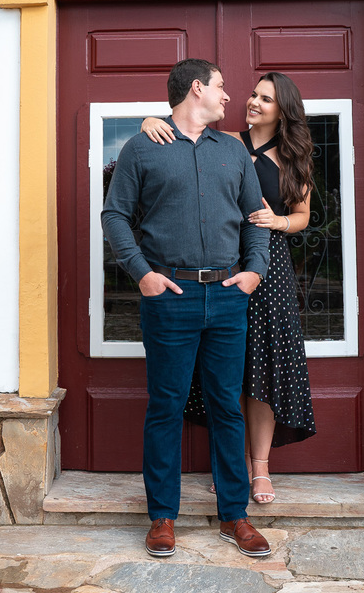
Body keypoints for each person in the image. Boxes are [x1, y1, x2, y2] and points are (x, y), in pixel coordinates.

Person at [101, 58, 273, 559]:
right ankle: (162, 518)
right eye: (221, 87)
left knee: (226, 407)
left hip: (227, 296)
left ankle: (234, 516)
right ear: (196, 88)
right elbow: (115, 215)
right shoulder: (142, 148)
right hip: (169, 297)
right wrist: (142, 274)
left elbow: (256, 216)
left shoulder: (233, 151)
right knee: (166, 406)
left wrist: (255, 271)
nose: (228, 96)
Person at [142, 71, 317, 505]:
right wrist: (149, 120)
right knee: (227, 375)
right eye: (254, 95)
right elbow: (183, 127)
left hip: (268, 269)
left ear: (283, 110)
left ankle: (261, 469)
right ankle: (231, 467)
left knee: (265, 368)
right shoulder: (228, 143)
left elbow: (302, 215)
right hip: (222, 264)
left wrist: (279, 221)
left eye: (266, 99)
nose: (253, 102)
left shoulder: (295, 158)